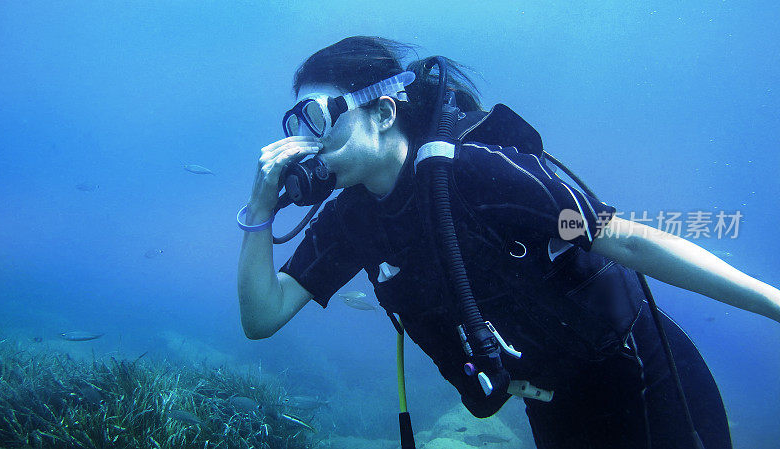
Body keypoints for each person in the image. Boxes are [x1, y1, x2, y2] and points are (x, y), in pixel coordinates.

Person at [237, 36, 780, 449]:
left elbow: (627, 242)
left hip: (642, 374)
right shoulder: (349, 223)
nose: (303, 144)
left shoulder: (476, 175)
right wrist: (260, 210)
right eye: (296, 125)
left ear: (382, 114)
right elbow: (263, 317)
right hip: (551, 402)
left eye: (315, 119)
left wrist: (774, 304)